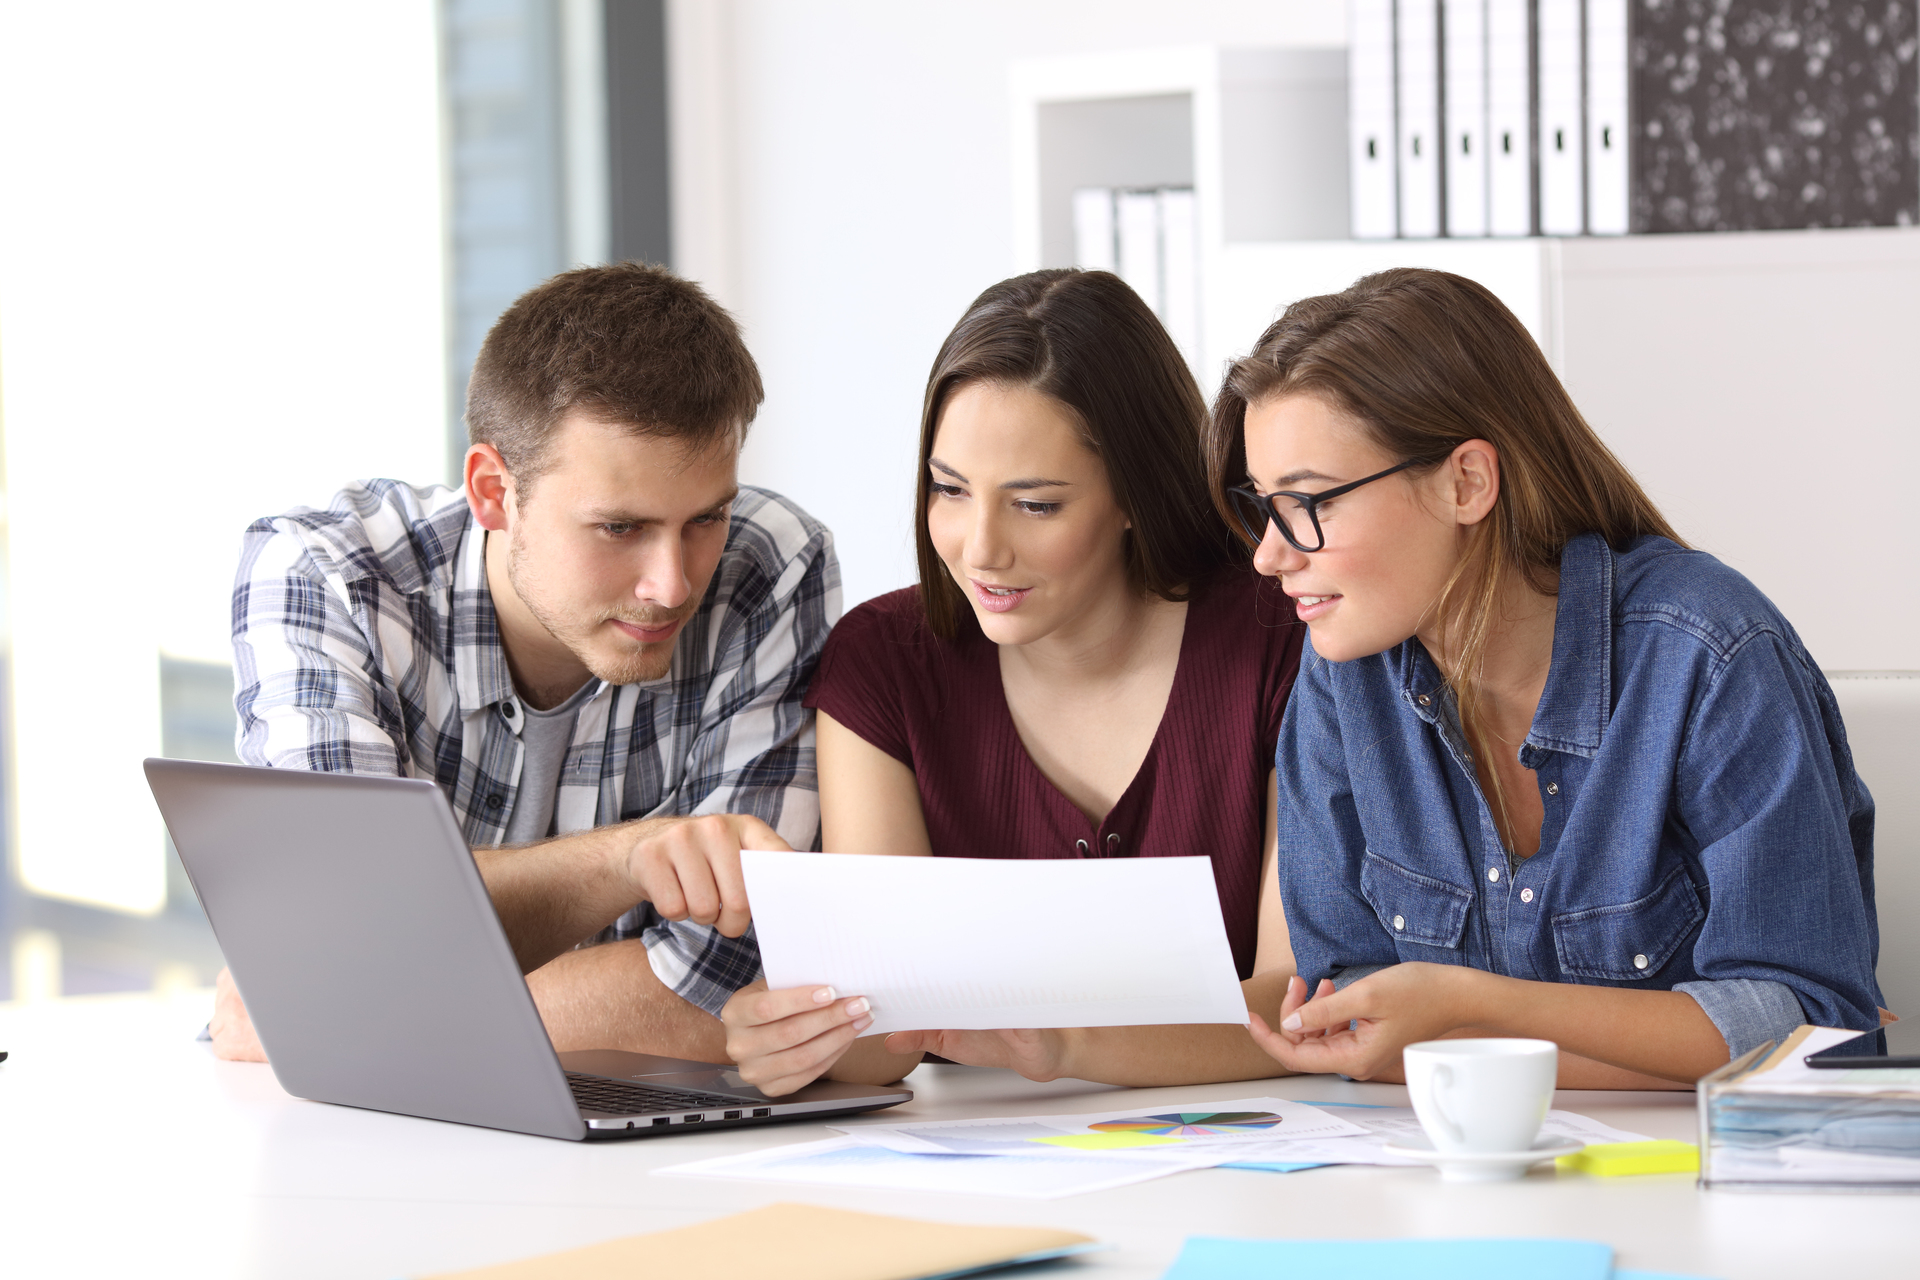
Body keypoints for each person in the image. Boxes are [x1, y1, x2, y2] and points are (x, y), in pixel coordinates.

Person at [1211, 267, 1882, 1088]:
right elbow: (1342, 1002)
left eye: (1308, 502)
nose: (1269, 554)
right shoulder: (1341, 678)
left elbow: (1813, 1027)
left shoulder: (1709, 653)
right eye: (1263, 505)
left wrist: (1479, 1009)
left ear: (1467, 482)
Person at [210, 263, 837, 1063]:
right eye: (618, 528)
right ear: (493, 492)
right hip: (362, 1139)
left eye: (706, 518)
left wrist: (345, 1017)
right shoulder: (324, 573)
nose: (672, 583)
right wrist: (631, 859)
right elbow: (339, 930)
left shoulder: (772, 564)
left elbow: (739, 979)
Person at [718, 269, 1308, 1096]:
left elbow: (1291, 1001)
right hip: (985, 1165)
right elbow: (885, 1027)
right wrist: (794, 1038)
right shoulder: (884, 663)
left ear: (1134, 494)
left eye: (1034, 504)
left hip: (1257, 1147)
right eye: (950, 490)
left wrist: (1064, 1045)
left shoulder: (1279, 635)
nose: (980, 548)